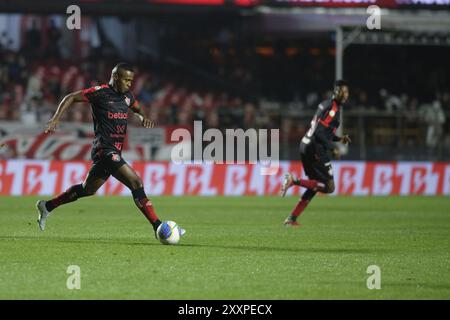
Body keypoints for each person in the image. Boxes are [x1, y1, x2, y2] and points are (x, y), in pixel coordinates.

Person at [36, 63, 185, 238]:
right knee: (136, 182)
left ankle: (47, 206)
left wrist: (143, 117)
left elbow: (137, 107)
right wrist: (55, 119)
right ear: (116, 77)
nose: (130, 84)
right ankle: (159, 227)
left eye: (131, 80)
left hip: (115, 151)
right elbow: (70, 97)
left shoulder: (127, 97)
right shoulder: (100, 93)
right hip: (104, 149)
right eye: (126, 80)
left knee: (88, 189)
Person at [280, 80, 351, 226]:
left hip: (305, 144)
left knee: (314, 185)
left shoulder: (325, 104)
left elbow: (323, 131)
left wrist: (339, 139)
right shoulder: (333, 110)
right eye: (344, 91)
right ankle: (294, 181)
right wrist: (333, 148)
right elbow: (319, 133)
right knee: (329, 186)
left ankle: (291, 218)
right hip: (315, 148)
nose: (346, 95)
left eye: (347, 91)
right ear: (337, 92)